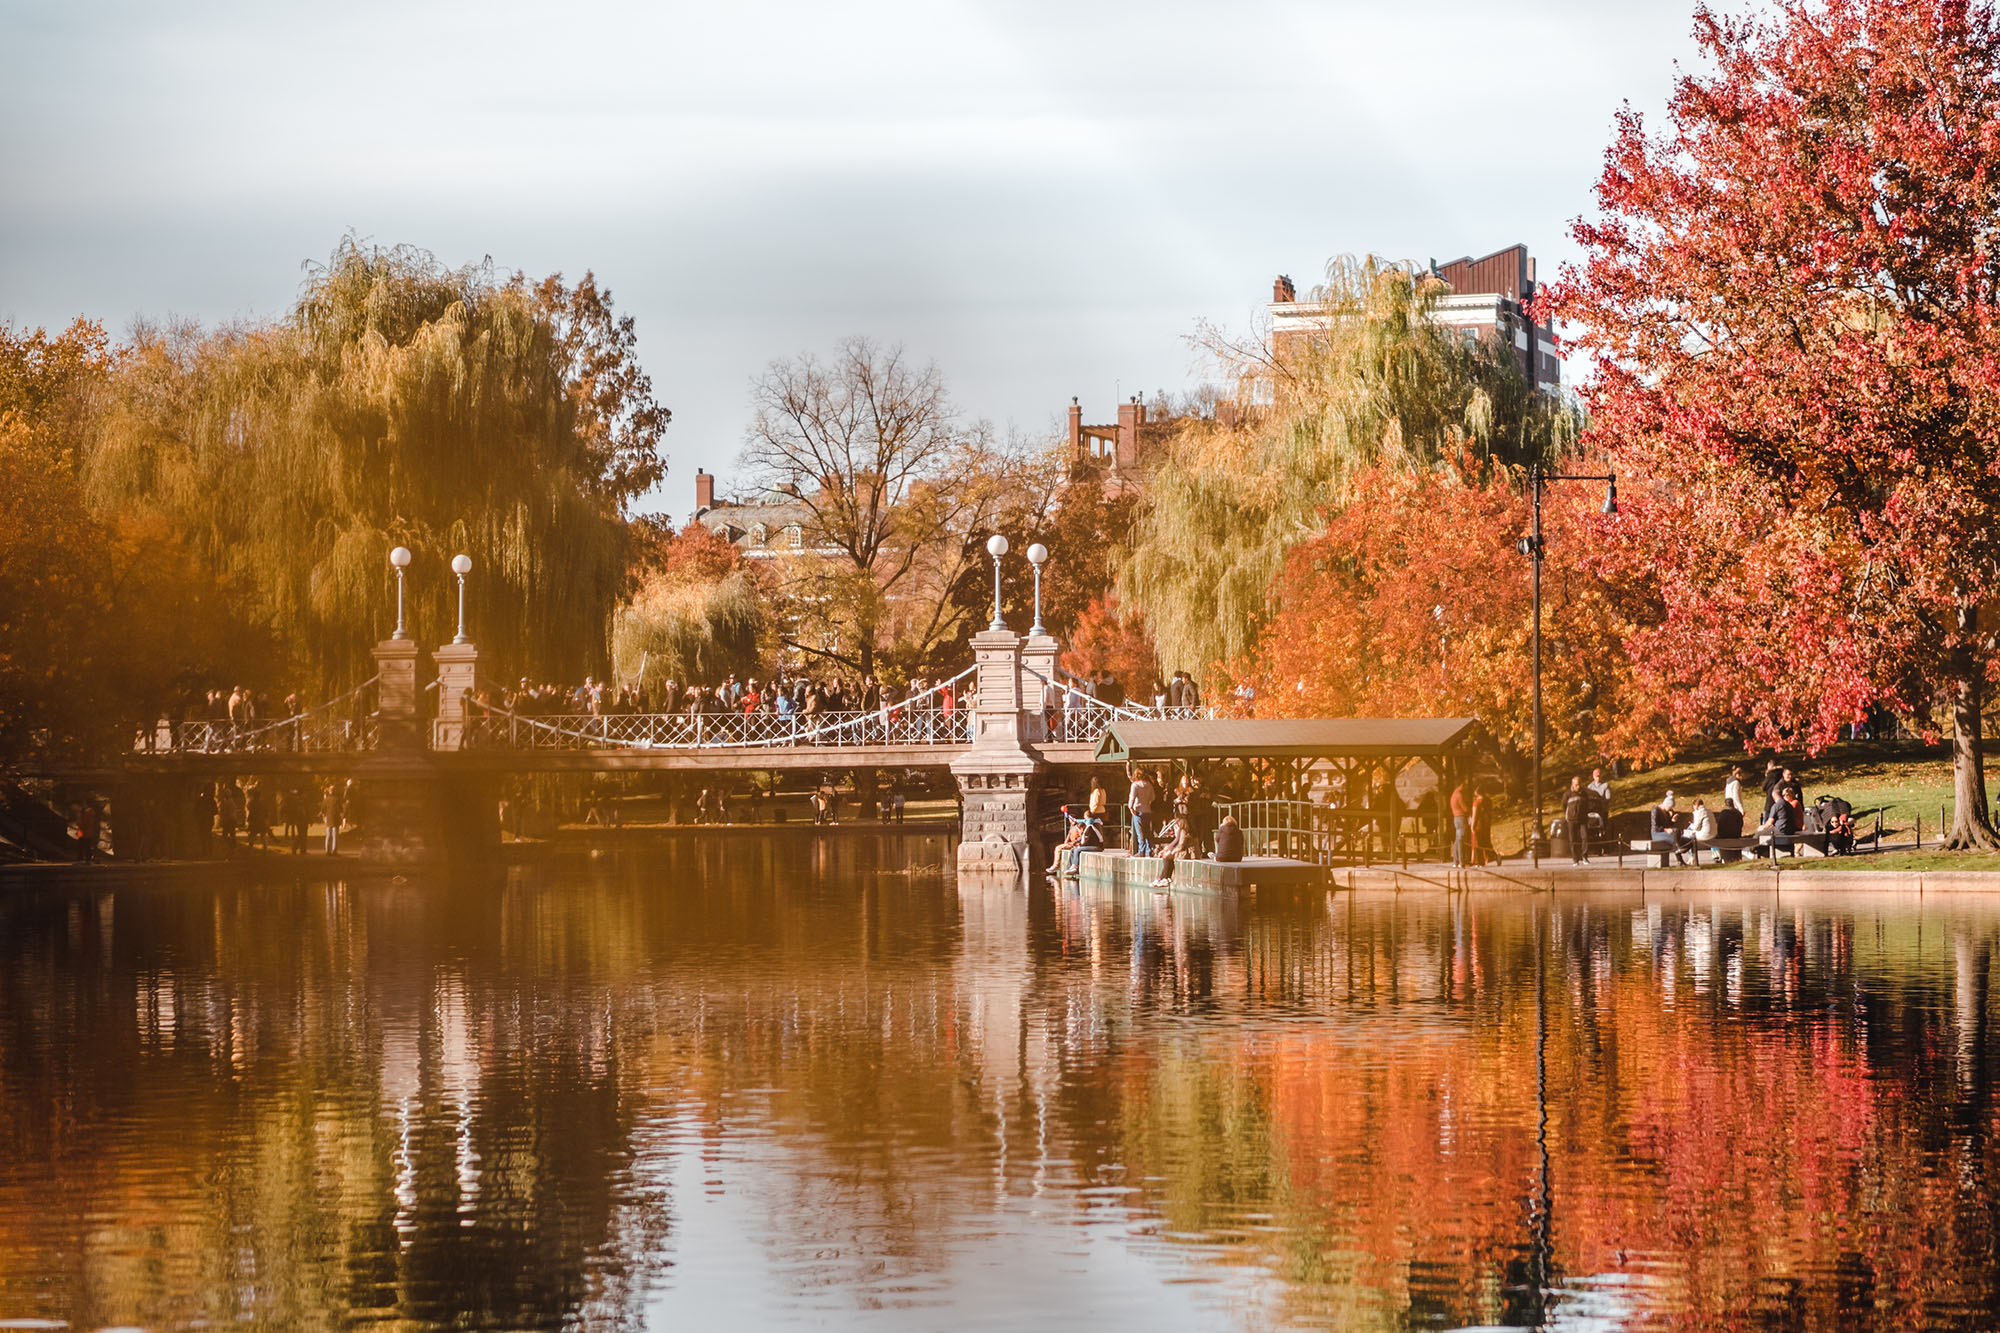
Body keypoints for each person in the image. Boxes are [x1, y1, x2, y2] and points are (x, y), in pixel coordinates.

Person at [1151, 815, 1192, 888]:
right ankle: (1162, 878)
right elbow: (1175, 842)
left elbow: (1181, 846)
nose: (1175, 829)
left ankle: (1165, 878)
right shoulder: (1180, 833)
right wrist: (1165, 850)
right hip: (1181, 851)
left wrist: (1171, 852)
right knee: (1166, 855)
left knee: (1167, 857)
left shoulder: (1184, 833)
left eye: (1176, 827)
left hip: (1187, 853)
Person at [1126, 761, 1156, 858]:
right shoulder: (1149, 785)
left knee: (1140, 833)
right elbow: (1153, 797)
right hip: (1147, 810)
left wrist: (1130, 807)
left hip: (1137, 811)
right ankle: (1149, 851)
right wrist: (1147, 802)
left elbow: (1132, 797)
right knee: (1147, 832)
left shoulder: (1135, 785)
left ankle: (1141, 851)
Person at [1681, 798, 1718, 863]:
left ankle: (1691, 857)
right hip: (1714, 834)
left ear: (1696, 805)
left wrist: (1692, 824)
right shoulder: (1709, 811)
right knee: (1690, 831)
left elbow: (1696, 828)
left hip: (1705, 835)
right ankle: (1716, 856)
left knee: (1688, 833)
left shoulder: (1699, 812)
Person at [1563, 776, 1589, 863]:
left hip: (1582, 819)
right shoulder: (1567, 794)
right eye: (1576, 785)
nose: (1578, 787)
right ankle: (1575, 859)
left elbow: (1587, 804)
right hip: (1571, 819)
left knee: (1584, 837)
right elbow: (1563, 805)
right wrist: (1567, 815)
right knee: (1572, 839)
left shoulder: (1584, 793)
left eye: (1579, 784)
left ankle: (1584, 857)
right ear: (1572, 785)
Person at [1651, 791, 1680, 866]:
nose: (1670, 809)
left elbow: (1667, 825)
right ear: (1665, 804)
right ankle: (1679, 858)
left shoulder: (1666, 812)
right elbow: (1655, 827)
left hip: (1664, 833)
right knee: (1675, 835)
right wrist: (1665, 830)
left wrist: (1672, 821)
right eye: (1669, 807)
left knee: (1676, 832)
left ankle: (1679, 856)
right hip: (1657, 834)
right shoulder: (1655, 810)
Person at [1449, 781, 1471, 867]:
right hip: (1461, 817)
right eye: (1464, 786)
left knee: (1457, 839)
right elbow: (1464, 808)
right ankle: (1462, 861)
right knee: (1461, 839)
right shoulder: (1459, 795)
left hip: (1456, 818)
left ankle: (1456, 861)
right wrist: (1470, 810)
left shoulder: (1453, 795)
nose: (1465, 788)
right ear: (1460, 785)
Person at [1470, 789, 1494, 866]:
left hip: (1478, 825)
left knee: (1478, 843)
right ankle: (1492, 856)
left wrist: (1472, 826)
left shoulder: (1476, 803)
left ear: (1476, 794)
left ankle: (1479, 861)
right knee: (1486, 842)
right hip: (1486, 824)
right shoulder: (1488, 801)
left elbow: (1474, 816)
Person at [320, 781, 343, 855]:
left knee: (328, 835)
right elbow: (340, 810)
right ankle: (334, 851)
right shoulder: (337, 799)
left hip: (328, 819)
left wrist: (324, 818)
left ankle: (327, 850)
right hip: (335, 819)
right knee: (335, 836)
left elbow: (323, 810)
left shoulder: (325, 800)